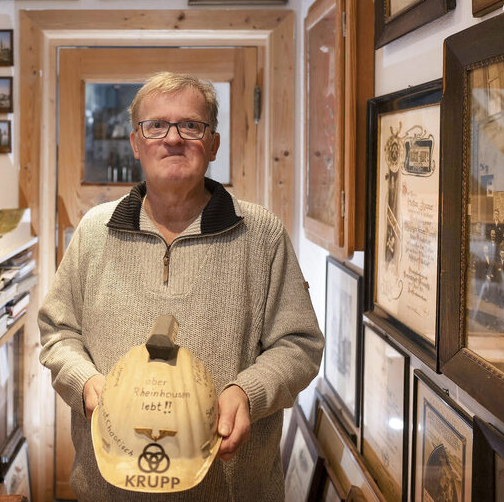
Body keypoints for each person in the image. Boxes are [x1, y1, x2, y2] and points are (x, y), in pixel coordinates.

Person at [38, 72, 324, 501]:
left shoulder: (261, 234)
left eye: (191, 125)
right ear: (136, 143)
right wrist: (84, 382)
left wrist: (248, 393)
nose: (173, 139)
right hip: (108, 489)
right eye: (156, 126)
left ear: (213, 144)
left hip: (230, 490)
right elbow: (58, 333)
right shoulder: (94, 231)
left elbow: (299, 344)